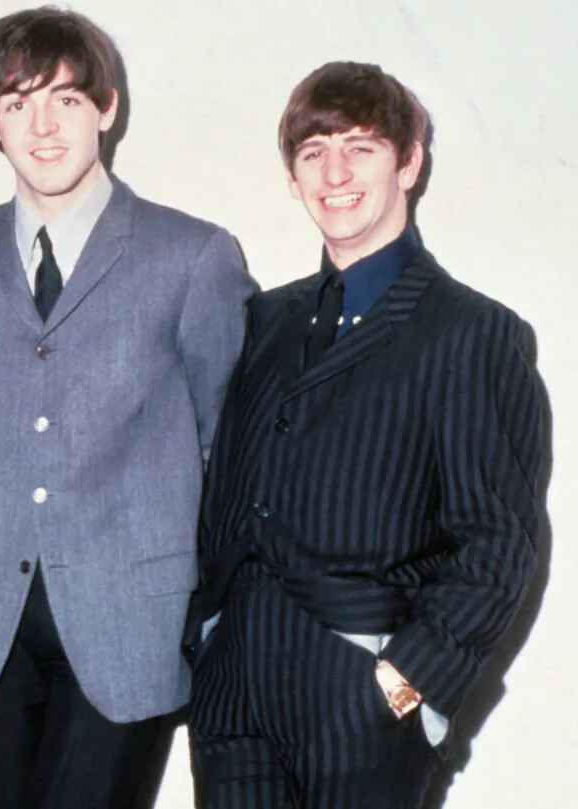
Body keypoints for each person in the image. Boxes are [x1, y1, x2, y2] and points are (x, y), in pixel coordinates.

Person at [185, 60, 545, 809]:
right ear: (293, 177)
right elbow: (224, 490)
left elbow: (497, 542)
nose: (335, 172)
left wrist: (412, 678)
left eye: (361, 146)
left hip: (360, 691)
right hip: (232, 688)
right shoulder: (265, 321)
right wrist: (208, 633)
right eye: (313, 151)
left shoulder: (471, 332)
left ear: (409, 163)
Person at [0, 7, 255, 808]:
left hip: (129, 621)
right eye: (17, 103)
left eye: (66, 99)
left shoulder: (193, 255)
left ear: (107, 107)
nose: (42, 126)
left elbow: (231, 444)